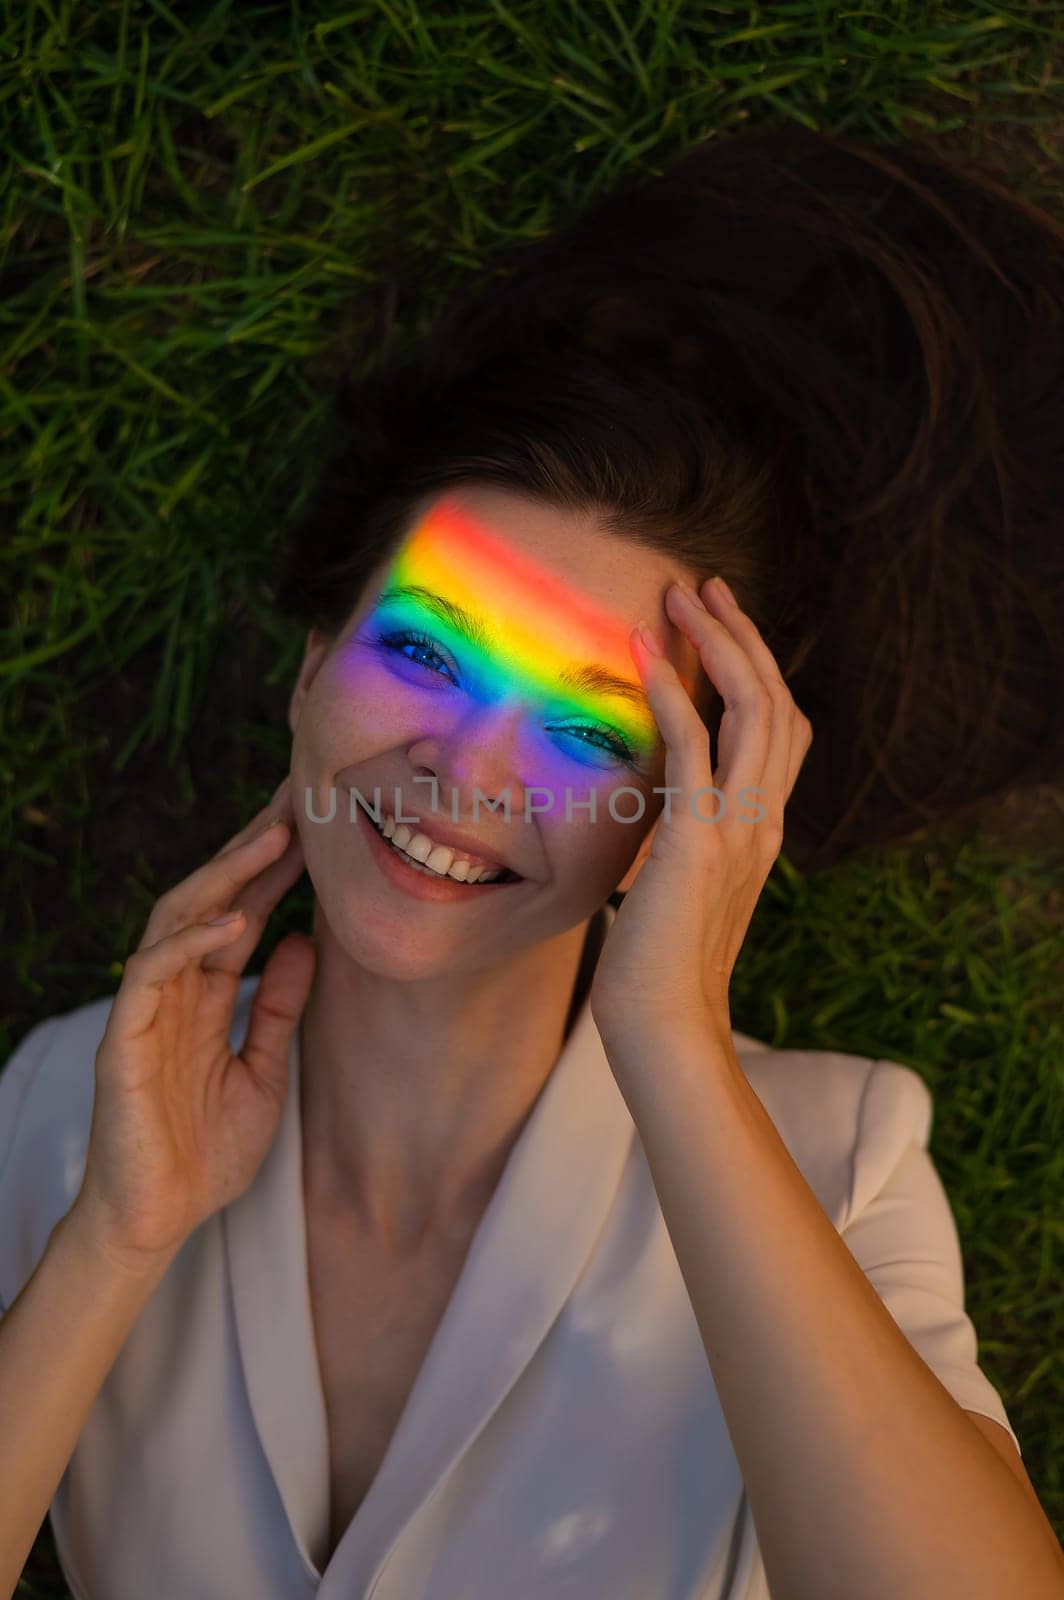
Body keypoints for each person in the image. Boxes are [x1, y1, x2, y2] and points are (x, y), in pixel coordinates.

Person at [1, 127, 1062, 1600]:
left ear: (676, 812)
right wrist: (114, 1240)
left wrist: (673, 1048)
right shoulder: (69, 1104)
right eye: (427, 648)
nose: (467, 764)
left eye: (583, 725)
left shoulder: (840, 1158)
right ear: (313, 670)